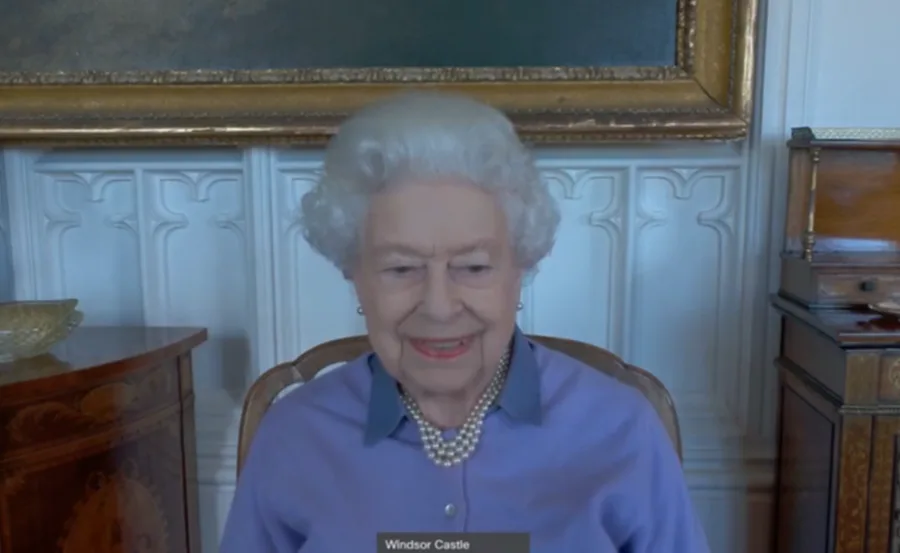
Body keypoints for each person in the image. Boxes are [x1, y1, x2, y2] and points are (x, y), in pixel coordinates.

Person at [220, 91, 709, 553]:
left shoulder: (620, 428)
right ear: (354, 274)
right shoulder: (295, 435)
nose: (439, 306)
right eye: (401, 269)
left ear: (521, 268)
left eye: (473, 267)